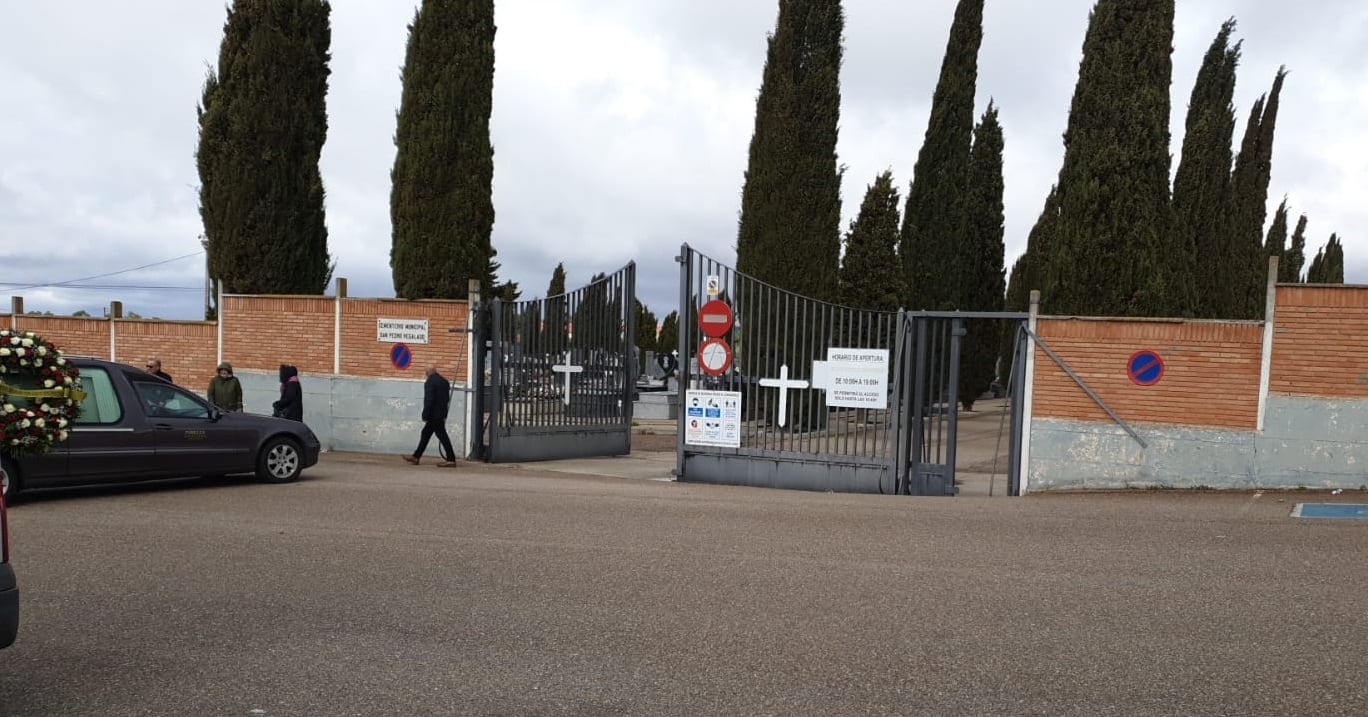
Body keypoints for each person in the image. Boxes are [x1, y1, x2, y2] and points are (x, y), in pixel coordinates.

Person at [403, 366, 457, 467]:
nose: (426, 375)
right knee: (427, 434)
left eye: (426, 373)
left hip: (433, 415)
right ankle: (416, 456)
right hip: (441, 413)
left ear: (428, 373)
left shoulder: (430, 382)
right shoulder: (444, 382)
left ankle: (451, 459)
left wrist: (425, 414)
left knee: (441, 436)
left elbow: (429, 399)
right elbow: (446, 399)